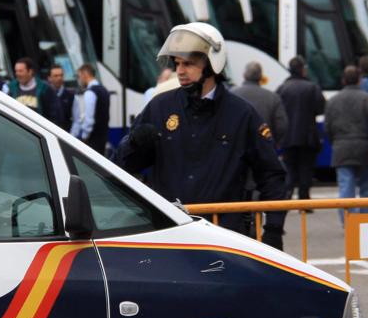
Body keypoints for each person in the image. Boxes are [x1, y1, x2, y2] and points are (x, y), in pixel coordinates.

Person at [117, 22, 286, 248]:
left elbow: (272, 175)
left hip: (224, 238)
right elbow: (122, 167)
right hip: (169, 235)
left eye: (188, 63)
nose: (180, 71)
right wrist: (134, 144)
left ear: (212, 64)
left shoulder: (241, 114)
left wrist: (273, 230)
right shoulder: (159, 107)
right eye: (177, 63)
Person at [325, 65, 368, 224]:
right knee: (366, 187)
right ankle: (367, 220)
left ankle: (349, 222)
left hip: (341, 148)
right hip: (364, 148)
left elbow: (328, 127)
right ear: (360, 80)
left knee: (346, 188)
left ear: (343, 80)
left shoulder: (333, 101)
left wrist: (336, 141)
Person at [277, 57, 326, 201]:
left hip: (288, 136)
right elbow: (321, 108)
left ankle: (286, 197)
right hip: (307, 136)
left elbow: (277, 110)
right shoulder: (312, 87)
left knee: (289, 168)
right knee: (306, 169)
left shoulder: (282, 88)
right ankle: (304, 200)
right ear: (302, 69)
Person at [230, 61, 288, 145]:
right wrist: (272, 142)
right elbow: (281, 126)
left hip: (237, 147)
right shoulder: (273, 97)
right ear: (261, 77)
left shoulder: (232, 94)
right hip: (264, 147)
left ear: (244, 75)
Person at [5, 57, 61, 123]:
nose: (17, 74)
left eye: (20, 71)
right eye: (16, 71)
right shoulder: (11, 88)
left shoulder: (45, 89)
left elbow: (55, 114)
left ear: (30, 71)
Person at [70, 64, 110, 154]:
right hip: (103, 136)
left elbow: (89, 120)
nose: (79, 80)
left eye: (79, 76)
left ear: (85, 74)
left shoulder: (90, 92)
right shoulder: (104, 90)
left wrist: (84, 137)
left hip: (93, 139)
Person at [47, 64, 74, 131]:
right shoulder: (44, 94)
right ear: (49, 78)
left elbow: (76, 119)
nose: (59, 78)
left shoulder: (71, 95)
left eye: (61, 75)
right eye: (56, 76)